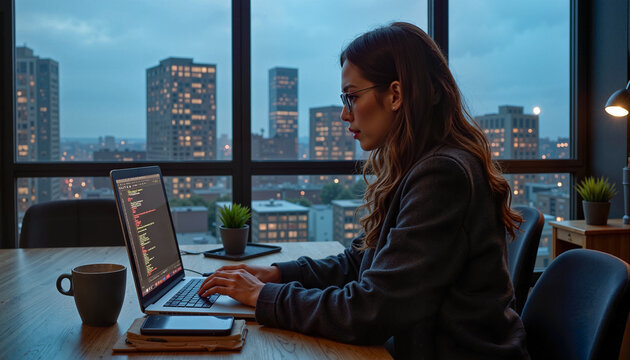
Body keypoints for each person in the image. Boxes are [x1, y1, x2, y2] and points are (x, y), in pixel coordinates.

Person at [199, 22, 529, 359]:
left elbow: (371, 310)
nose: (344, 114)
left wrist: (264, 296)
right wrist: (278, 274)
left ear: (396, 95)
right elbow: (364, 262)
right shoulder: (421, 165)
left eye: (352, 97)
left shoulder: (441, 175)